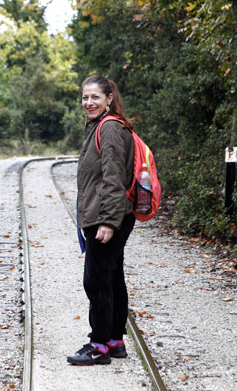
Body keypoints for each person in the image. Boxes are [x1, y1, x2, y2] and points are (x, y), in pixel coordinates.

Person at [68, 75, 136, 366]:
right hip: (108, 214)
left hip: (106, 216)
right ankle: (114, 341)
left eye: (95, 96)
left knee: (96, 281)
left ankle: (98, 345)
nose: (88, 102)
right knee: (112, 277)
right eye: (85, 97)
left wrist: (108, 221)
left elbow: (113, 177)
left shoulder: (108, 127)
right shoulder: (100, 125)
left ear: (109, 98)